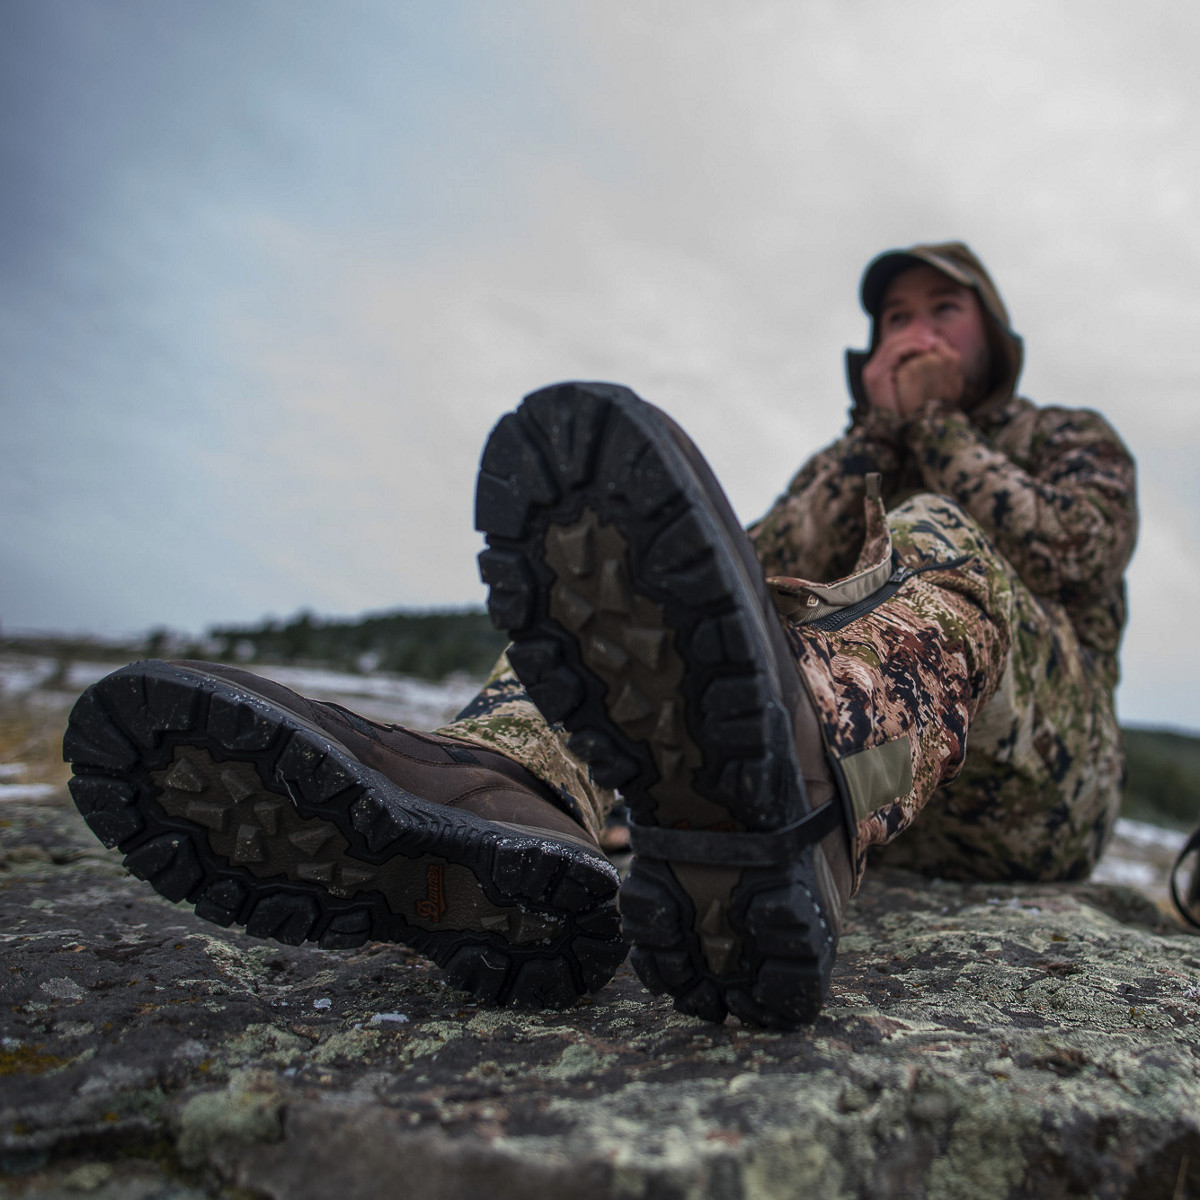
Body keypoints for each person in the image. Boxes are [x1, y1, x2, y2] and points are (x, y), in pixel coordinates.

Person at [64, 241, 1137, 1028]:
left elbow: (1077, 554)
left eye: (940, 311)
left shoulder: (1070, 439)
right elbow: (720, 596)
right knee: (626, 607)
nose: (914, 331)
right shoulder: (845, 460)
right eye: (894, 317)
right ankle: (509, 803)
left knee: (936, 533)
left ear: (990, 336)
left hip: (1031, 790)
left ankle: (792, 799)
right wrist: (869, 445)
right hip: (860, 793)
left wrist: (937, 432)